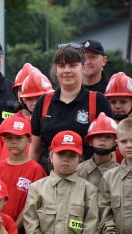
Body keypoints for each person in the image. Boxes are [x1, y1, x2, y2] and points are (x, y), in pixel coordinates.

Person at [29, 42, 113, 174]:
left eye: (73, 65)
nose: (67, 70)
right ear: (56, 70)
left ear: (83, 67)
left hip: (87, 181)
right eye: (62, 66)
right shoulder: (43, 102)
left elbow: (110, 149)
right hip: (48, 180)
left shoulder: (98, 101)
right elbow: (34, 150)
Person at [24, 130, 99, 233]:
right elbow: (30, 223)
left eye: (72, 155)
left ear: (79, 159)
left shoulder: (89, 190)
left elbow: (91, 225)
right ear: (51, 157)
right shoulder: (36, 188)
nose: (66, 159)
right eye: (61, 154)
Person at [0, 116, 46, 233]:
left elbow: (33, 205)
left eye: (19, 138)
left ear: (29, 140)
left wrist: (13, 227)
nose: (13, 142)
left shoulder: (37, 170)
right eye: (9, 138)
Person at [98, 117, 132, 233]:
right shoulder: (109, 177)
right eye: (124, 141)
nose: (128, 145)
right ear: (117, 143)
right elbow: (105, 212)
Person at [77, 112, 119, 187]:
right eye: (98, 136)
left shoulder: (121, 174)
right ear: (90, 141)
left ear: (115, 142)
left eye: (108, 136)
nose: (102, 139)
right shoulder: (77, 171)